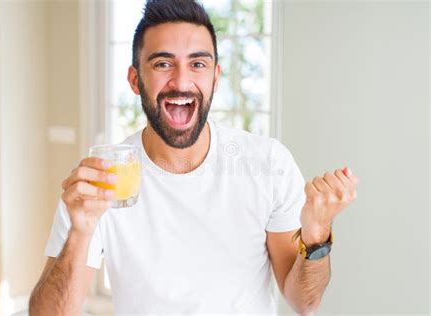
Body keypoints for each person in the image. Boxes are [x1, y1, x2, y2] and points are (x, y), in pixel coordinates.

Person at [29, 0, 359, 315]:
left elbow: (305, 304)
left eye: (197, 64)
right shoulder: (104, 181)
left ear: (215, 77)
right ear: (134, 80)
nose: (182, 81)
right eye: (162, 63)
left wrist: (316, 237)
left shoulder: (268, 163)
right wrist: (79, 233)